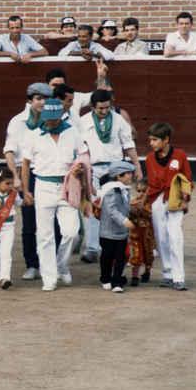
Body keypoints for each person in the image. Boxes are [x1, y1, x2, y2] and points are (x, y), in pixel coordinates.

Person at [21, 98, 88, 291]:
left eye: (54, 118)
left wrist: (80, 169)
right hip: (43, 185)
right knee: (45, 235)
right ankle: (49, 277)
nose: (51, 121)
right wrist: (25, 190)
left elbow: (83, 156)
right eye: (48, 118)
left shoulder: (72, 132)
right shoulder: (34, 134)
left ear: (61, 116)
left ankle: (61, 265)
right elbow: (25, 164)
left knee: (71, 232)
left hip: (67, 185)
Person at [78, 89, 141, 263]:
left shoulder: (119, 120)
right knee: (94, 206)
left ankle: (120, 247)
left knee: (119, 207)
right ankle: (92, 248)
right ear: (92, 107)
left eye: (107, 107)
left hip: (116, 169)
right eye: (100, 108)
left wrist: (137, 165)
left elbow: (128, 144)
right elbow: (80, 148)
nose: (104, 111)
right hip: (93, 168)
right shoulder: (83, 122)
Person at [3, 82, 52, 280]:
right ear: (30, 100)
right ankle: (32, 264)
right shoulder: (18, 121)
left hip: (48, 172)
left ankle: (50, 263)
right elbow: (9, 151)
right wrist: (16, 177)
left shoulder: (54, 119)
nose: (43, 103)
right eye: (39, 99)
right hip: (27, 174)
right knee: (30, 221)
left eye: (46, 99)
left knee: (51, 220)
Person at [145, 122, 193, 291]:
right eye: (150, 140)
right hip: (157, 200)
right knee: (161, 237)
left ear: (166, 139)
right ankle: (167, 274)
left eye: (155, 140)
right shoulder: (150, 158)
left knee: (175, 237)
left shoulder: (180, 155)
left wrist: (185, 199)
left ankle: (179, 277)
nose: (151, 143)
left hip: (175, 199)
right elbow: (151, 183)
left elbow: (187, 178)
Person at [96, 160, 136, 293]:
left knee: (120, 257)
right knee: (107, 257)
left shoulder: (124, 189)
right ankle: (105, 278)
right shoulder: (111, 190)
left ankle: (117, 281)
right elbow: (111, 210)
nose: (131, 176)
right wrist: (124, 220)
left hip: (121, 231)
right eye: (128, 173)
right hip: (108, 231)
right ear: (119, 176)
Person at [45, 59, 110, 129]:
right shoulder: (41, 101)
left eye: (61, 85)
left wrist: (101, 77)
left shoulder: (74, 96)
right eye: (54, 85)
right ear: (47, 85)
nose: (58, 88)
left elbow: (99, 96)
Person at [128, 178, 155, 286]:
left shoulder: (152, 203)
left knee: (148, 253)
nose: (141, 193)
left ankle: (147, 272)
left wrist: (141, 208)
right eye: (138, 191)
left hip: (148, 232)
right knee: (136, 253)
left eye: (144, 191)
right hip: (135, 232)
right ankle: (135, 276)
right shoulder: (133, 201)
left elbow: (150, 214)